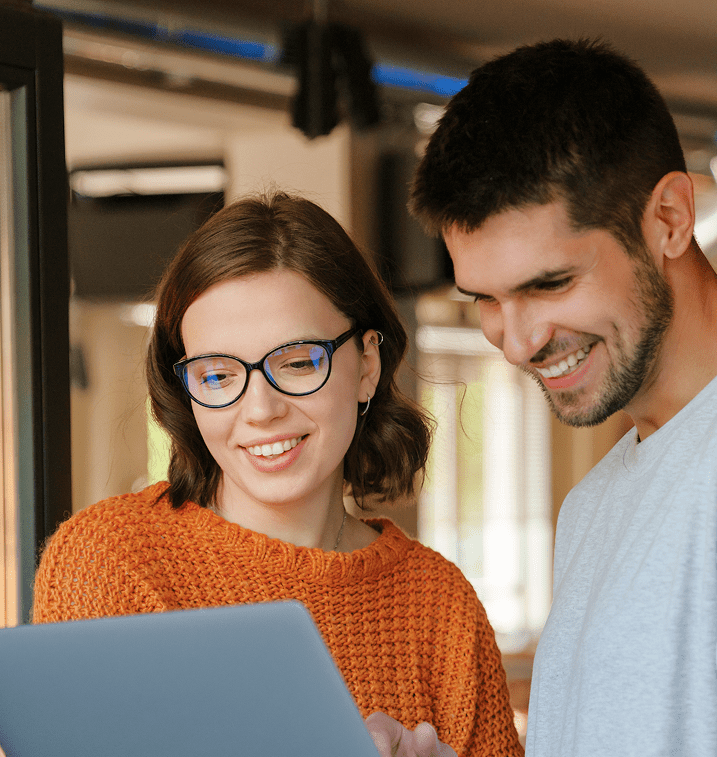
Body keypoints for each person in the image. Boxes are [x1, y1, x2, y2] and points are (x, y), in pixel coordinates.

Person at [33, 191, 523, 757]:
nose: (260, 410)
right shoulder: (110, 562)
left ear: (367, 365)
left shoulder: (442, 609)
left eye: (297, 363)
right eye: (217, 376)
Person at [369, 37, 717, 756]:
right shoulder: (591, 510)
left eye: (549, 283)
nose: (518, 340)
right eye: (484, 298)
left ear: (670, 219)